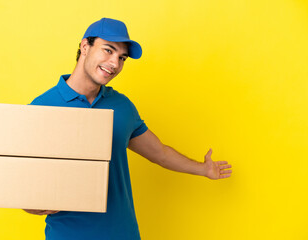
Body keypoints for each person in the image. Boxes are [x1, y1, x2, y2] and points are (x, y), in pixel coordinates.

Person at [23, 18, 232, 240]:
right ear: (85, 47)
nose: (114, 63)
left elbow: (159, 153)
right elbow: (23, 181)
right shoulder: (42, 107)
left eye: (121, 58)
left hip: (123, 233)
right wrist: (31, 206)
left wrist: (203, 169)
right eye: (108, 50)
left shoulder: (122, 106)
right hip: (68, 234)